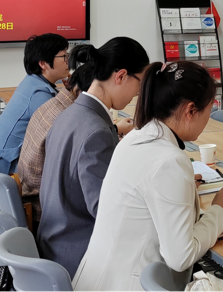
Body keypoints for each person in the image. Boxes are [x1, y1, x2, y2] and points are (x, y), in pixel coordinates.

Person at [73, 61, 223, 292]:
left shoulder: (135, 137)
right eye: (209, 109)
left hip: (98, 280)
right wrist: (219, 212)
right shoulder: (170, 160)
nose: (208, 118)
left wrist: (213, 225)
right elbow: (180, 257)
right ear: (190, 110)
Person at [37, 37, 149, 277]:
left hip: (54, 242)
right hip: (79, 254)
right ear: (121, 76)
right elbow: (105, 210)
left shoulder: (70, 113)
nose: (137, 94)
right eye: (139, 85)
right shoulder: (97, 131)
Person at [16, 51, 134, 231]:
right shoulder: (67, 116)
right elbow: (101, 206)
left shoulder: (56, 106)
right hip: (46, 211)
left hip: (40, 203)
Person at [0, 34, 69, 174]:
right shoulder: (39, 94)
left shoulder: (33, 82)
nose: (69, 61)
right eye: (64, 56)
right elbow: (63, 132)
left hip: (9, 162)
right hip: (11, 171)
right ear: (43, 63)